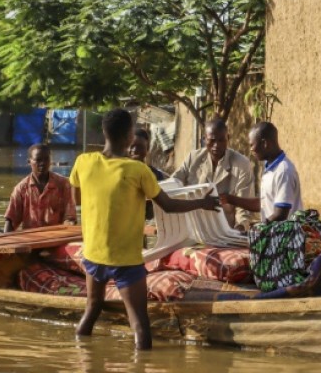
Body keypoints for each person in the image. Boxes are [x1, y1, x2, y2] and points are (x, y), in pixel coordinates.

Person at [70, 108, 219, 350]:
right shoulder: (138, 171)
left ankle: (83, 364)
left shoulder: (83, 162)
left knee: (92, 308)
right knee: (139, 324)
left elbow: (76, 198)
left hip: (93, 256)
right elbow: (168, 206)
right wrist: (203, 202)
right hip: (125, 262)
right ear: (129, 137)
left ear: (105, 133)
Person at [171, 118, 256, 230]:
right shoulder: (193, 159)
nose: (216, 145)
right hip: (194, 229)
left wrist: (239, 229)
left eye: (221, 140)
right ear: (204, 139)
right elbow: (174, 184)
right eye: (212, 140)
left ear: (228, 139)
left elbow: (244, 208)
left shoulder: (241, 164)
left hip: (226, 231)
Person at [219, 121, 302, 223]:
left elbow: (280, 214)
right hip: (274, 234)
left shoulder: (283, 171)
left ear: (264, 143)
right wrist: (229, 199)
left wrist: (260, 228)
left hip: (287, 237)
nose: (251, 150)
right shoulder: (270, 168)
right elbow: (263, 203)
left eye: (252, 145)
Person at [3, 143, 76, 232]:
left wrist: (66, 227)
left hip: (57, 239)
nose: (43, 163)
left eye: (46, 159)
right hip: (30, 240)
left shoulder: (63, 184)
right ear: (29, 162)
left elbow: (70, 217)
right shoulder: (21, 189)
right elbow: (10, 220)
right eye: (38, 160)